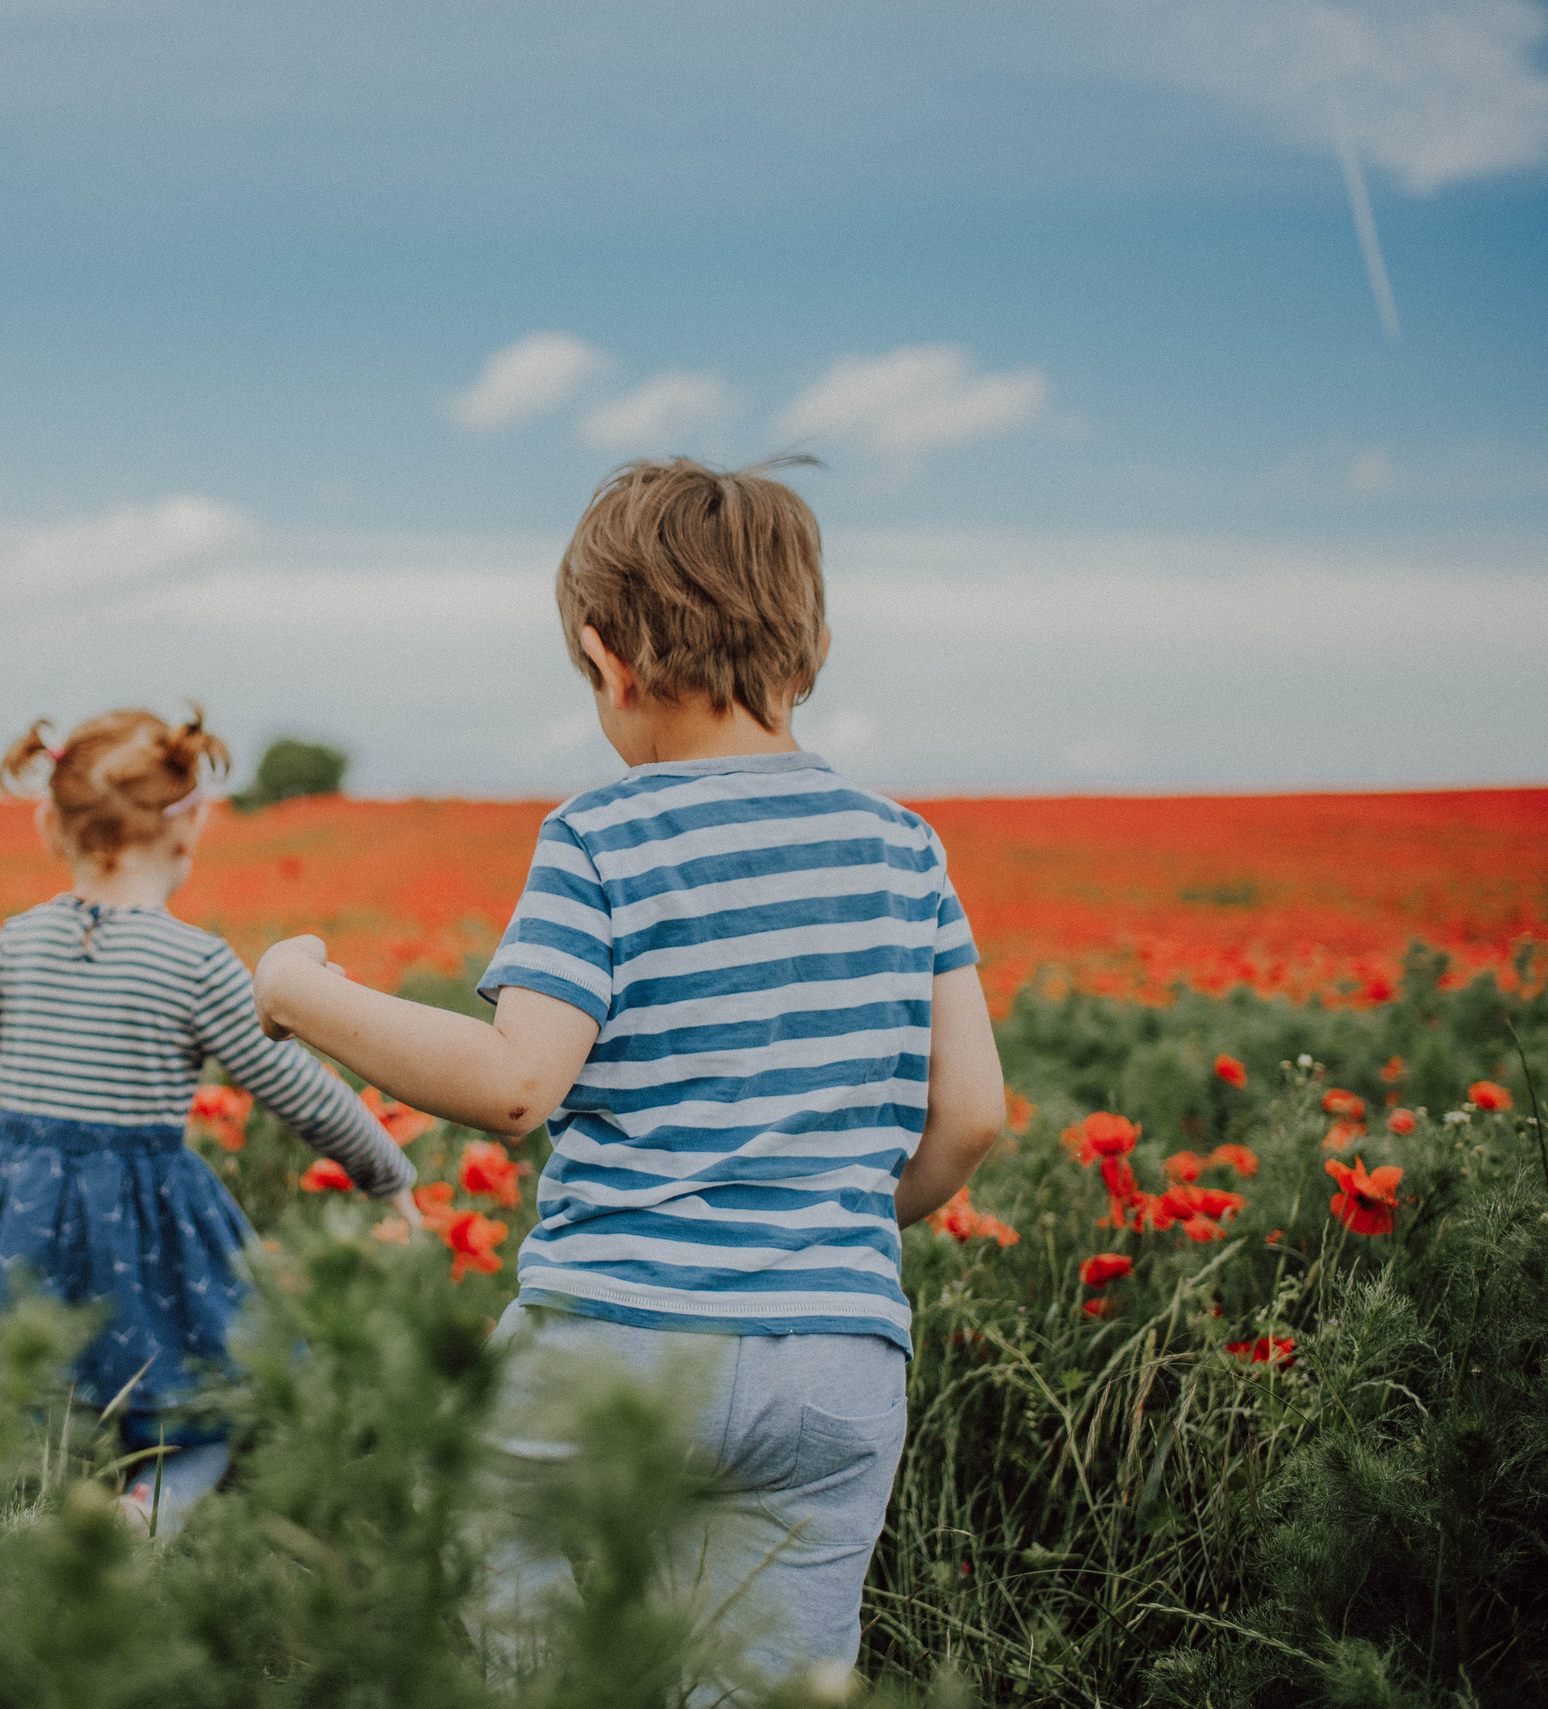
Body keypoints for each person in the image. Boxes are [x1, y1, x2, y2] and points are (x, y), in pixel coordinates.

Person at [252, 459, 1006, 1688]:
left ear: (607, 661)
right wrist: (826, 1225)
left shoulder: (605, 834)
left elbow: (513, 1083)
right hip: (837, 1356)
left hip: (618, 1338)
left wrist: (302, 990)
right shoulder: (904, 848)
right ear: (809, 653)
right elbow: (971, 1118)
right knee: (762, 1683)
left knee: (512, 1636)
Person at [0, 706, 418, 1538]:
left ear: (54, 823)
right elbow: (298, 1088)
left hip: (17, 1208)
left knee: (25, 1397)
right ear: (189, 824)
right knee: (202, 1403)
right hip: (145, 1216)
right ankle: (141, 1519)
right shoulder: (196, 964)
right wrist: (389, 1174)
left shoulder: (19, 943)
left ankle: (6, 1523)